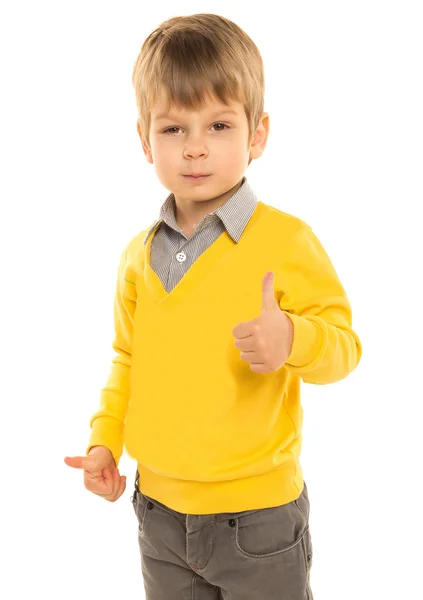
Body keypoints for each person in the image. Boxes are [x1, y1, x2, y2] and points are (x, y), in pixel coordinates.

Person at [64, 13, 362, 599]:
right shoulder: (137, 256)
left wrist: (294, 340)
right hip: (158, 515)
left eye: (219, 125)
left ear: (258, 134)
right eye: (174, 129)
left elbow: (345, 349)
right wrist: (106, 438)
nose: (196, 148)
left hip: (258, 520)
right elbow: (128, 359)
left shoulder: (286, 240)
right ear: (144, 139)